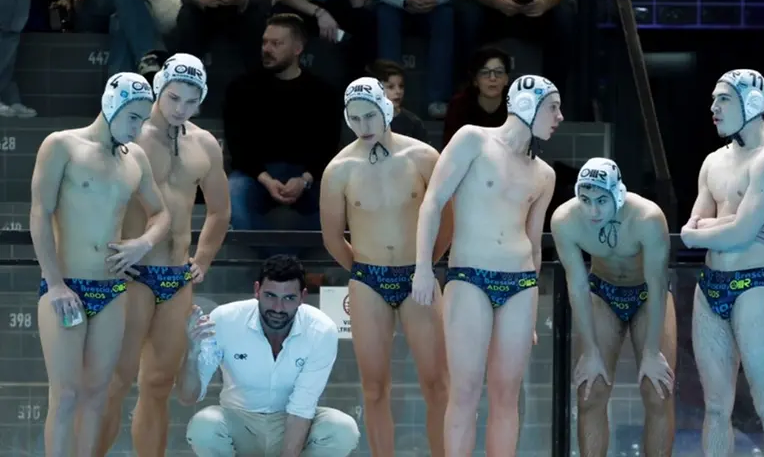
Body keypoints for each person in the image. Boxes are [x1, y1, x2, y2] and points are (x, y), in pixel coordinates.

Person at [412, 74, 560, 455]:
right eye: (553, 107)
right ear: (527, 105)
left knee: (507, 396)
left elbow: (534, 242)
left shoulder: (545, 174)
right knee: (464, 392)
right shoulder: (473, 139)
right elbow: (433, 201)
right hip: (469, 276)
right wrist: (423, 268)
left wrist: (534, 309)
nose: (559, 117)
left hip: (521, 285)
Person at [30, 72, 171, 456]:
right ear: (113, 105)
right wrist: (54, 282)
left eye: (144, 119)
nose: (138, 127)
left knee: (97, 395)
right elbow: (40, 214)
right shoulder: (62, 146)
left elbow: (161, 215)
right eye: (133, 117)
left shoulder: (136, 158)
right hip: (67, 288)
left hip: (112, 291)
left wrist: (142, 243)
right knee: (66, 395)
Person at [98, 53, 231, 456]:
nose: (181, 109)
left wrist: (203, 258)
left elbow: (220, 210)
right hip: (133, 274)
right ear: (159, 89)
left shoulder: (204, 143)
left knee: (158, 385)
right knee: (118, 381)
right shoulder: (130, 136)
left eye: (192, 102)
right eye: (174, 98)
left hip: (176, 278)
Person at [319, 76, 451, 456]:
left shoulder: (424, 157)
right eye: (355, 119)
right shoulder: (338, 170)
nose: (364, 127)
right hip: (369, 281)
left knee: (437, 383)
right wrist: (363, 268)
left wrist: (425, 265)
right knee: (374, 387)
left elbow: (448, 222)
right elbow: (332, 238)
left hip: (418, 276)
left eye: (370, 116)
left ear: (386, 110)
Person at [680, 69, 764, 456]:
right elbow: (697, 223)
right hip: (709, 287)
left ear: (753, 103)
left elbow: (735, 235)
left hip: (754, 287)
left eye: (724, 99)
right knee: (715, 408)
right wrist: (728, 224)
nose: (713, 108)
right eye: (713, 99)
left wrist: (715, 229)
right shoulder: (713, 162)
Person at [550, 157, 676, 455]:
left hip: (647, 295)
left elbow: (658, 285)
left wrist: (651, 352)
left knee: (658, 392)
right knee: (590, 392)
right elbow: (578, 286)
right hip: (602, 292)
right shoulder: (565, 220)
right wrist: (591, 352)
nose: (593, 211)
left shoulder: (647, 218)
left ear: (618, 195)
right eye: (585, 199)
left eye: (602, 201)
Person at [177, 255, 361, 456]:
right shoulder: (224, 319)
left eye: (288, 298)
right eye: (270, 296)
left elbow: (302, 407)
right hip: (239, 422)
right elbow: (188, 397)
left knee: (342, 429)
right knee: (204, 426)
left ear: (303, 296)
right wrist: (192, 354)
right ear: (257, 290)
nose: (278, 308)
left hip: (293, 424)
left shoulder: (321, 329)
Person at [225, 14, 340, 236]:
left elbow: (328, 146)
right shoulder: (241, 88)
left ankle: (288, 264)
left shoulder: (323, 92)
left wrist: (305, 179)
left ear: (297, 49)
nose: (267, 49)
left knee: (338, 198)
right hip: (256, 175)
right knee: (233, 193)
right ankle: (278, 264)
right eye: (265, 42)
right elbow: (237, 146)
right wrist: (267, 180)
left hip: (308, 175)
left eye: (276, 44)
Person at [442, 46, 511, 147]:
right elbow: (449, 148)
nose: (492, 78)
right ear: (475, 80)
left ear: (506, 79)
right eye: (485, 73)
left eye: (499, 72)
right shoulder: (459, 105)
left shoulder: (516, 104)